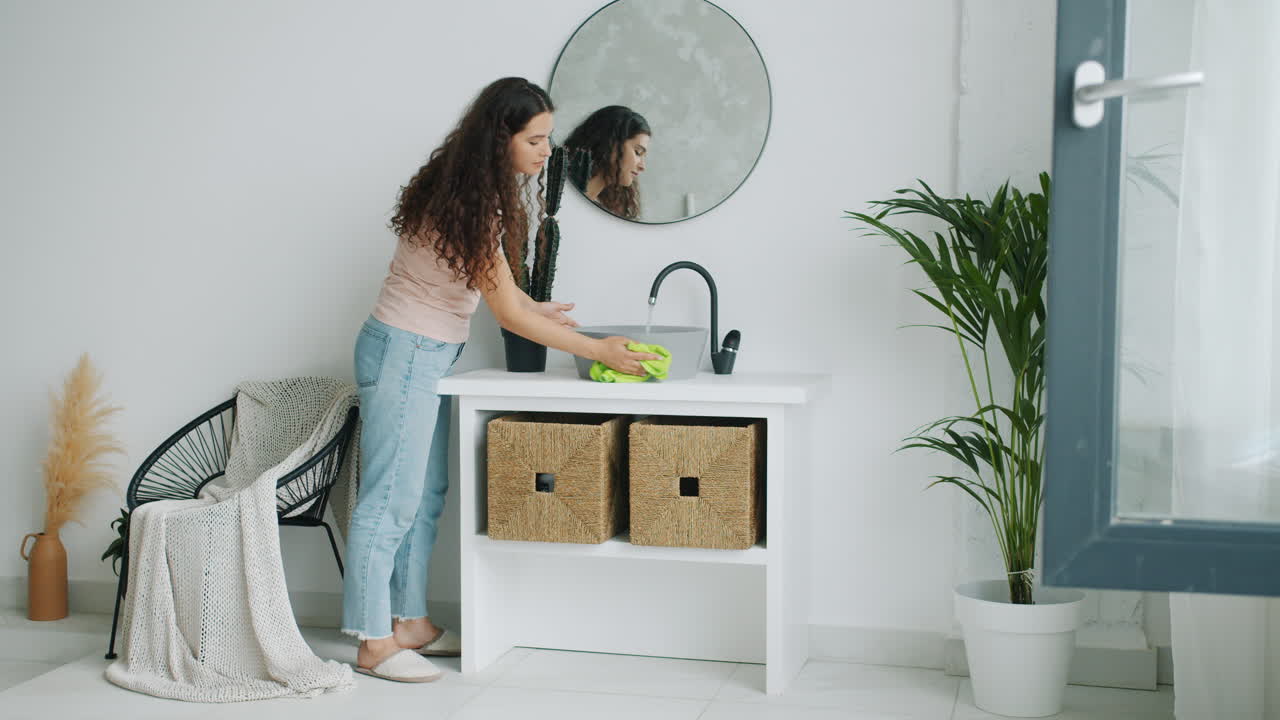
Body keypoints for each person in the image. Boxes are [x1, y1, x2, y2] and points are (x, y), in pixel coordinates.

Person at [343, 77, 659, 683]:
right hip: (404, 351)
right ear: (500, 139)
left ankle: (407, 620)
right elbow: (508, 311)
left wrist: (540, 312)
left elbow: (503, 295)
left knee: (426, 494)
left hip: (424, 352)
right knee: (389, 502)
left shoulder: (473, 195)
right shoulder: (466, 200)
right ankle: (372, 640)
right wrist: (597, 350)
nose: (547, 151)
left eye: (547, 138)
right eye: (535, 139)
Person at [563, 105, 650, 220]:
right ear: (611, 144)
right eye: (638, 152)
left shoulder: (603, 213)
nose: (642, 166)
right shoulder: (562, 194)